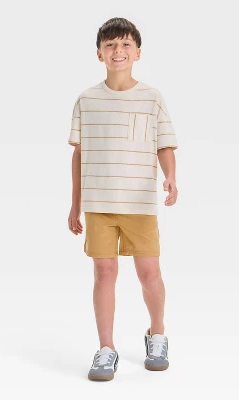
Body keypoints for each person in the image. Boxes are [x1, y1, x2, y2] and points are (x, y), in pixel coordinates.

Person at [67, 17, 178, 381]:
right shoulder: (86, 100)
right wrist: (75, 204)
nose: (118, 51)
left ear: (138, 53)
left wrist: (171, 177)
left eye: (126, 44)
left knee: (150, 273)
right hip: (99, 204)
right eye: (111, 45)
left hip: (139, 204)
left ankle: (157, 335)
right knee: (104, 273)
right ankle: (106, 349)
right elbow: (79, 154)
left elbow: (164, 145)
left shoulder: (152, 97)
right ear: (99, 53)